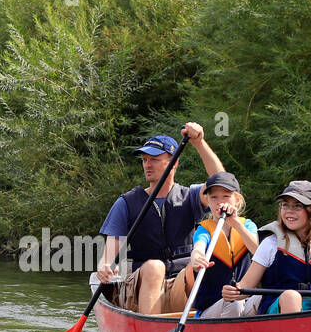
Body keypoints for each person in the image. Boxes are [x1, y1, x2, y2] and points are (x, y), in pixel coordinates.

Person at [94, 122, 225, 315]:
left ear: (175, 162)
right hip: (140, 285)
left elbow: (222, 181)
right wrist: (104, 266)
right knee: (155, 267)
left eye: (154, 159)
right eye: (145, 160)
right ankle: (151, 331)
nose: (147, 165)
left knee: (202, 267)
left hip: (180, 282)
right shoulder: (126, 203)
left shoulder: (190, 197)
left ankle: (198, 325)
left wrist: (199, 143)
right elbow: (110, 252)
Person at [222, 180, 311, 315]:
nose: (289, 211)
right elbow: (245, 286)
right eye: (285, 204)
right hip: (279, 306)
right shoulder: (270, 243)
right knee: (292, 296)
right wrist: (233, 291)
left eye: (297, 206)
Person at [180, 172, 261, 318]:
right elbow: (198, 248)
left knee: (263, 299)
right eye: (214, 197)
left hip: (242, 303)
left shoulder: (247, 226)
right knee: (233, 301)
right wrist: (197, 257)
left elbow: (257, 250)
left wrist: (235, 223)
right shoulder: (204, 229)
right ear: (208, 202)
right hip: (212, 310)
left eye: (226, 196)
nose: (220, 202)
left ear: (236, 200)